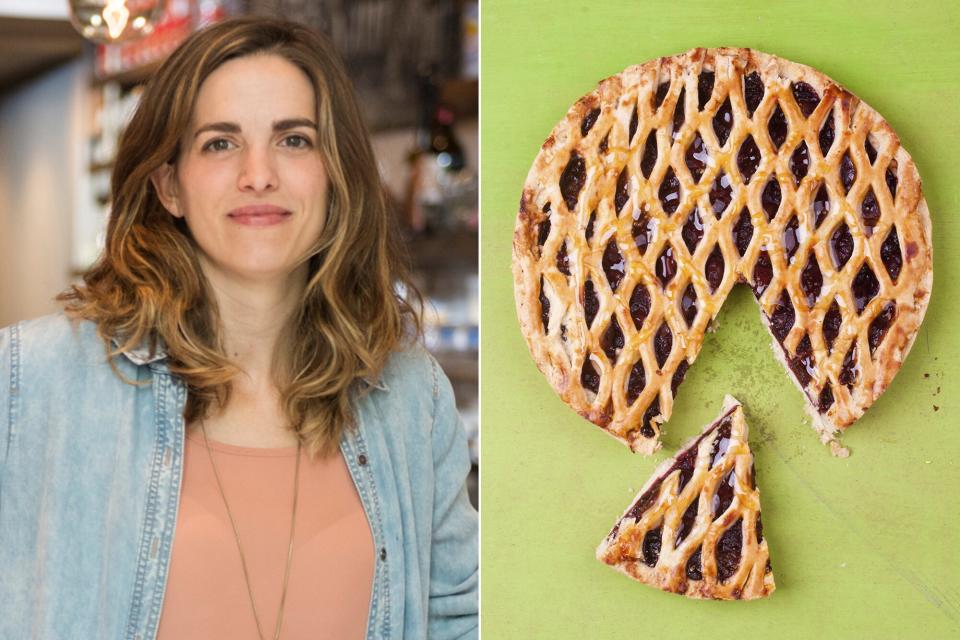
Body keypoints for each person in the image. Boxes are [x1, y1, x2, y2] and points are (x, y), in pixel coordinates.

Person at [0, 17, 477, 640]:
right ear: (169, 184)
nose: (258, 174)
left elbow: (458, 621)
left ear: (335, 177)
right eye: (220, 143)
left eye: (294, 140)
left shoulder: (411, 396)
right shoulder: (30, 382)